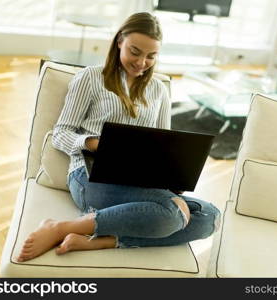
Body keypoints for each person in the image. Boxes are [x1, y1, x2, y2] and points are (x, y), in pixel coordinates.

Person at [17, 12, 221, 262]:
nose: (141, 62)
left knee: (210, 217)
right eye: (135, 51)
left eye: (151, 56)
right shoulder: (91, 78)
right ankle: (60, 228)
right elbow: (60, 133)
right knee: (172, 212)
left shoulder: (158, 91)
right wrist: (92, 143)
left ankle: (105, 242)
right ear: (119, 42)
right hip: (89, 177)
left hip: (141, 182)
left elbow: (164, 146)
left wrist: (173, 177)